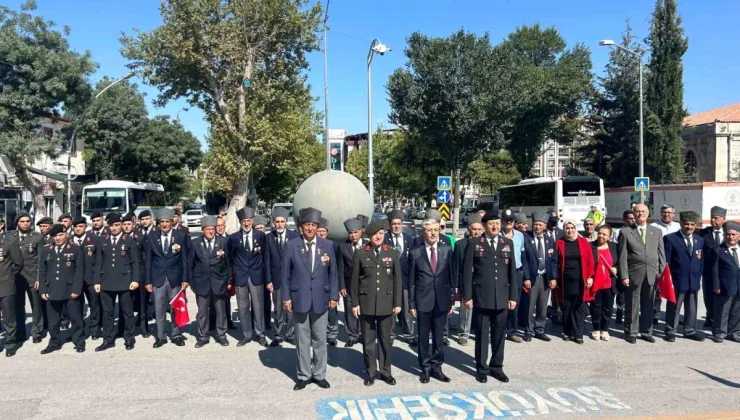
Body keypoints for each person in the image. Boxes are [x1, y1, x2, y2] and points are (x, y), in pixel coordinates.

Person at [282, 207, 338, 391]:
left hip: (321, 299)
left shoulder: (327, 245)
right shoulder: (291, 245)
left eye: (314, 225)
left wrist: (333, 296)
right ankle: (304, 375)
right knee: (302, 340)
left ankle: (320, 374)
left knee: (320, 339)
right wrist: (286, 297)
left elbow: (333, 274)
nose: (310, 228)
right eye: (307, 225)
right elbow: (285, 275)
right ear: (301, 227)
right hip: (299, 298)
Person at [462, 210, 517, 384]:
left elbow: (512, 273)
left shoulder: (507, 243)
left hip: (501, 296)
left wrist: (513, 296)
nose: (495, 226)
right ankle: (481, 368)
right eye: (491, 223)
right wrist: (467, 296)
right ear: (485, 225)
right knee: (482, 334)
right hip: (481, 296)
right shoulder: (475, 243)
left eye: (497, 223)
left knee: (500, 334)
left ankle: (497, 367)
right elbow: (467, 272)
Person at [351, 220, 402, 386]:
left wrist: (397, 302)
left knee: (386, 341)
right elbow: (354, 282)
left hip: (386, 303)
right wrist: (355, 303)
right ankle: (371, 372)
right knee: (368, 341)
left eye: (381, 234)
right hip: (366, 304)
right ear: (370, 236)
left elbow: (397, 281)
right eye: (375, 234)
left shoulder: (392, 253)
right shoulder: (361, 253)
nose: (378, 237)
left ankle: (386, 372)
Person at [409, 218, 454, 384]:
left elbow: (451, 276)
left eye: (436, 229)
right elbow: (412, 281)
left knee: (438, 337)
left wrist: (451, 301)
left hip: (442, 300)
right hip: (423, 300)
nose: (434, 233)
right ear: (424, 232)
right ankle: (425, 368)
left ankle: (437, 367)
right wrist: (412, 304)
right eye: (430, 230)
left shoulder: (447, 249)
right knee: (423, 337)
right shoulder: (415, 252)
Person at [618, 204, 666, 344]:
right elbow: (622, 256)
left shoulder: (656, 231)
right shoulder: (626, 232)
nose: (640, 214)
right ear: (633, 213)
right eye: (638, 211)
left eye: (643, 211)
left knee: (649, 304)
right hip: (634, 274)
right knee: (632, 304)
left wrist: (661, 274)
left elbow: (661, 254)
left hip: (652, 273)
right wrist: (624, 275)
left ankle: (646, 332)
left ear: (648, 213)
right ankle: (631, 332)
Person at [94, 212, 140, 352]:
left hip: (125, 281)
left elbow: (135, 262)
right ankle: (108, 339)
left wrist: (135, 279)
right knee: (107, 312)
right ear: (108, 226)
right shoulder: (103, 240)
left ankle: (129, 337)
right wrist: (97, 281)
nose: (114, 228)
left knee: (127, 311)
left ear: (121, 225)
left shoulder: (129, 240)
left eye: (117, 225)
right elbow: (98, 263)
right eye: (111, 225)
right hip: (106, 281)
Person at [144, 208, 190, 348]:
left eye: (167, 222)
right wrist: (148, 281)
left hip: (174, 277)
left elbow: (184, 260)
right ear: (158, 223)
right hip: (158, 278)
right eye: (161, 222)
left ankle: (176, 334)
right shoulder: (152, 236)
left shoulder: (180, 236)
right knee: (159, 308)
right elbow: (148, 261)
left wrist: (185, 279)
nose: (164, 224)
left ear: (172, 222)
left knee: (175, 307)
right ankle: (161, 336)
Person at [38, 224, 84, 354]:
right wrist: (43, 290)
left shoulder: (75, 249)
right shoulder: (46, 250)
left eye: (60, 235)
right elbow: (42, 271)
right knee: (53, 319)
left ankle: (79, 341)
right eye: (55, 236)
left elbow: (79, 271)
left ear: (66, 235)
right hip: (52, 289)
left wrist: (76, 289)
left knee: (75, 317)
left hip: (70, 290)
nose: (58, 238)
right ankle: (54, 342)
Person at [229, 207, 271, 347]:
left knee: (258, 306)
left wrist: (267, 278)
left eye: (248, 221)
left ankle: (260, 334)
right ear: (240, 222)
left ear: (252, 221)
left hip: (256, 276)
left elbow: (265, 258)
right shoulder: (234, 238)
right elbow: (231, 258)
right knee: (243, 306)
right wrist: (232, 276)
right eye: (243, 221)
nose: (246, 224)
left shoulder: (260, 236)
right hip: (241, 277)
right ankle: (246, 334)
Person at [663, 211, 705, 342]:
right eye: (687, 224)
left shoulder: (699, 240)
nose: (690, 227)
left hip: (693, 280)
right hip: (677, 280)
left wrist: (698, 276)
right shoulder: (670, 239)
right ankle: (671, 331)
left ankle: (689, 330)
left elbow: (700, 260)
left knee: (692, 308)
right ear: (681, 223)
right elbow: (666, 262)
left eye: (693, 224)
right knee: (674, 307)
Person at [190, 215, 231, 347]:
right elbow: (190, 264)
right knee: (202, 312)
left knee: (221, 311)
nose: (211, 231)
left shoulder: (223, 241)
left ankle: (221, 335)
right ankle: (203, 336)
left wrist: (228, 280)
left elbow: (229, 264)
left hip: (219, 282)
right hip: (201, 283)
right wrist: (193, 283)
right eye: (208, 229)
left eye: (212, 228)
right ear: (203, 230)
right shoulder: (196, 243)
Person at [553, 220, 595, 344]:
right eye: (567, 228)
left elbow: (590, 261)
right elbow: (555, 262)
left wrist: (590, 276)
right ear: (564, 229)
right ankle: (567, 331)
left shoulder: (583, 242)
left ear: (576, 228)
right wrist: (554, 278)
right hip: (564, 281)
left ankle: (578, 334)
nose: (570, 230)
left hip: (580, 280)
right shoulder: (559, 243)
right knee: (566, 307)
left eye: (572, 228)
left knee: (579, 307)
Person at [267, 208, 300, 347]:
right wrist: (268, 280)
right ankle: (278, 334)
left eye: (282, 222)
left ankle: (291, 333)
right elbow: (266, 260)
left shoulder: (294, 236)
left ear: (286, 222)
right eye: (277, 222)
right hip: (276, 280)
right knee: (278, 309)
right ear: (274, 223)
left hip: (292, 279)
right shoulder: (269, 237)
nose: (280, 225)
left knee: (291, 308)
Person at [13, 211, 47, 343]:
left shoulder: (37, 238)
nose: (25, 224)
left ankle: (37, 331)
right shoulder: (11, 237)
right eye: (22, 221)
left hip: (33, 277)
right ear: (17, 223)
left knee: (36, 305)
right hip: (16, 277)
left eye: (28, 221)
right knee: (18, 306)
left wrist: (39, 278)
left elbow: (41, 260)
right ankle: (20, 332)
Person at [524, 212, 558, 342]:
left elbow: (554, 260)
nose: (537, 227)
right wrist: (526, 277)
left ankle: (540, 330)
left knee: (543, 305)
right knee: (530, 305)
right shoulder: (527, 238)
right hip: (532, 277)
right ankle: (529, 330)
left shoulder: (549, 240)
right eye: (536, 224)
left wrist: (553, 277)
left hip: (545, 277)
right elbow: (524, 260)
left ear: (545, 226)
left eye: (540, 225)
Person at [69, 217, 104, 340]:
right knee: (76, 307)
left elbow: (99, 261)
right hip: (74, 280)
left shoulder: (95, 240)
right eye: (76, 227)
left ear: (85, 227)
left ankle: (95, 329)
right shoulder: (69, 241)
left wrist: (97, 280)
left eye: (80, 226)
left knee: (94, 305)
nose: (78, 229)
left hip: (91, 279)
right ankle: (79, 330)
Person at [384, 209, 414, 346]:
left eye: (399, 224)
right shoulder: (384, 239)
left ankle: (409, 334)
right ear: (390, 225)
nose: (396, 226)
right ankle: (390, 334)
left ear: (402, 224)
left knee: (406, 308)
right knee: (390, 308)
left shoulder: (409, 240)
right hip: (389, 281)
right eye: (394, 224)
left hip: (406, 280)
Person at [500, 209, 529, 343]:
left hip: (516, 272)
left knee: (514, 303)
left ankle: (512, 331)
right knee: (499, 302)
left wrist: (525, 276)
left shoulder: (520, 236)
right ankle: (499, 329)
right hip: (501, 272)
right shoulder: (497, 235)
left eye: (511, 220)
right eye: (506, 220)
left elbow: (523, 256)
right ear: (502, 222)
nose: (509, 222)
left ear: (514, 222)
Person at [454, 214, 484, 346]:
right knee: (466, 308)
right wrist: (456, 284)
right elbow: (456, 265)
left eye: (479, 229)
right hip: (467, 280)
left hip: (482, 281)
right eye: (474, 229)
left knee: (482, 309)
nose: (476, 232)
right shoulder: (460, 244)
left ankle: (480, 332)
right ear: (468, 229)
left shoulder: (486, 244)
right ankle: (463, 334)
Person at [709, 221, 740, 343]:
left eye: (733, 234)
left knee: (737, 311)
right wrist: (716, 286)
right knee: (722, 310)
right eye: (728, 234)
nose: (730, 237)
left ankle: (734, 332)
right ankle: (719, 332)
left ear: (739, 236)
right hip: (724, 286)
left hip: (739, 286)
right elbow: (714, 270)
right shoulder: (718, 250)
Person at [650, 204, 680, 324]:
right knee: (658, 290)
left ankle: (673, 315)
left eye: (669, 212)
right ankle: (655, 313)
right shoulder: (653, 227)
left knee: (674, 290)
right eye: (664, 212)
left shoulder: (678, 227)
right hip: (658, 262)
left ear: (673, 213)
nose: (666, 214)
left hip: (675, 264)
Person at [338, 218, 366, 347]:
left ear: (361, 232)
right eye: (350, 233)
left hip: (365, 284)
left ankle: (363, 334)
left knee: (364, 309)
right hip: (349, 284)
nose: (353, 235)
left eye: (355, 232)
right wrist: (342, 285)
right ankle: (352, 335)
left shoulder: (368, 245)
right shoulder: (343, 246)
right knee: (350, 309)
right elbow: (341, 267)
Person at [590, 225, 619, 341]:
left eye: (604, 234)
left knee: (608, 308)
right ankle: (596, 328)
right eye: (600, 233)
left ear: (610, 237)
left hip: (609, 282)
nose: (601, 236)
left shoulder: (614, 247)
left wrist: (616, 269)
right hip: (595, 282)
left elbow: (619, 262)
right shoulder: (591, 246)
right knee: (596, 307)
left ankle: (605, 329)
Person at [699, 206, 726, 328]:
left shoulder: (728, 233)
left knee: (724, 295)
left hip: (724, 270)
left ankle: (722, 319)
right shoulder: (704, 233)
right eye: (712, 218)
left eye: (716, 218)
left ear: (723, 219)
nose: (713, 220)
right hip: (708, 270)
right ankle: (709, 316)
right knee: (708, 295)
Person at [0, 229, 23, 357]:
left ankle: (10, 344)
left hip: (5, 286)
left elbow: (18, 263)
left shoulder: (9, 242)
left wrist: (9, 276)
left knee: (9, 318)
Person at [319, 217, 341, 347]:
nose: (321, 233)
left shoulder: (332, 246)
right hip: (316, 284)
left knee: (332, 310)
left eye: (324, 231)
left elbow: (336, 267)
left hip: (329, 282)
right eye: (319, 231)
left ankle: (332, 334)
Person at [215, 215, 236, 330]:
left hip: (226, 274)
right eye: (217, 226)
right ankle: (214, 322)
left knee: (226, 300)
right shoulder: (211, 238)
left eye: (221, 225)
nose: (219, 228)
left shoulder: (230, 239)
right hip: (214, 275)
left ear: (225, 226)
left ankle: (228, 321)